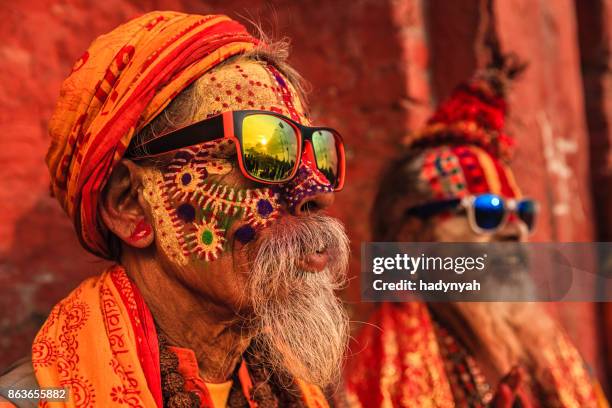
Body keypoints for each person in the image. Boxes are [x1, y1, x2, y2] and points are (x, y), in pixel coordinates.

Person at [0, 11, 350, 408]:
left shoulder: (306, 391)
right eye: (265, 150)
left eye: (317, 153)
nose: (317, 191)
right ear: (129, 204)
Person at [344, 55, 608, 407]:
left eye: (523, 214)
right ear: (412, 237)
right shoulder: (387, 366)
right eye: (487, 213)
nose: (515, 232)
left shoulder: (549, 350)